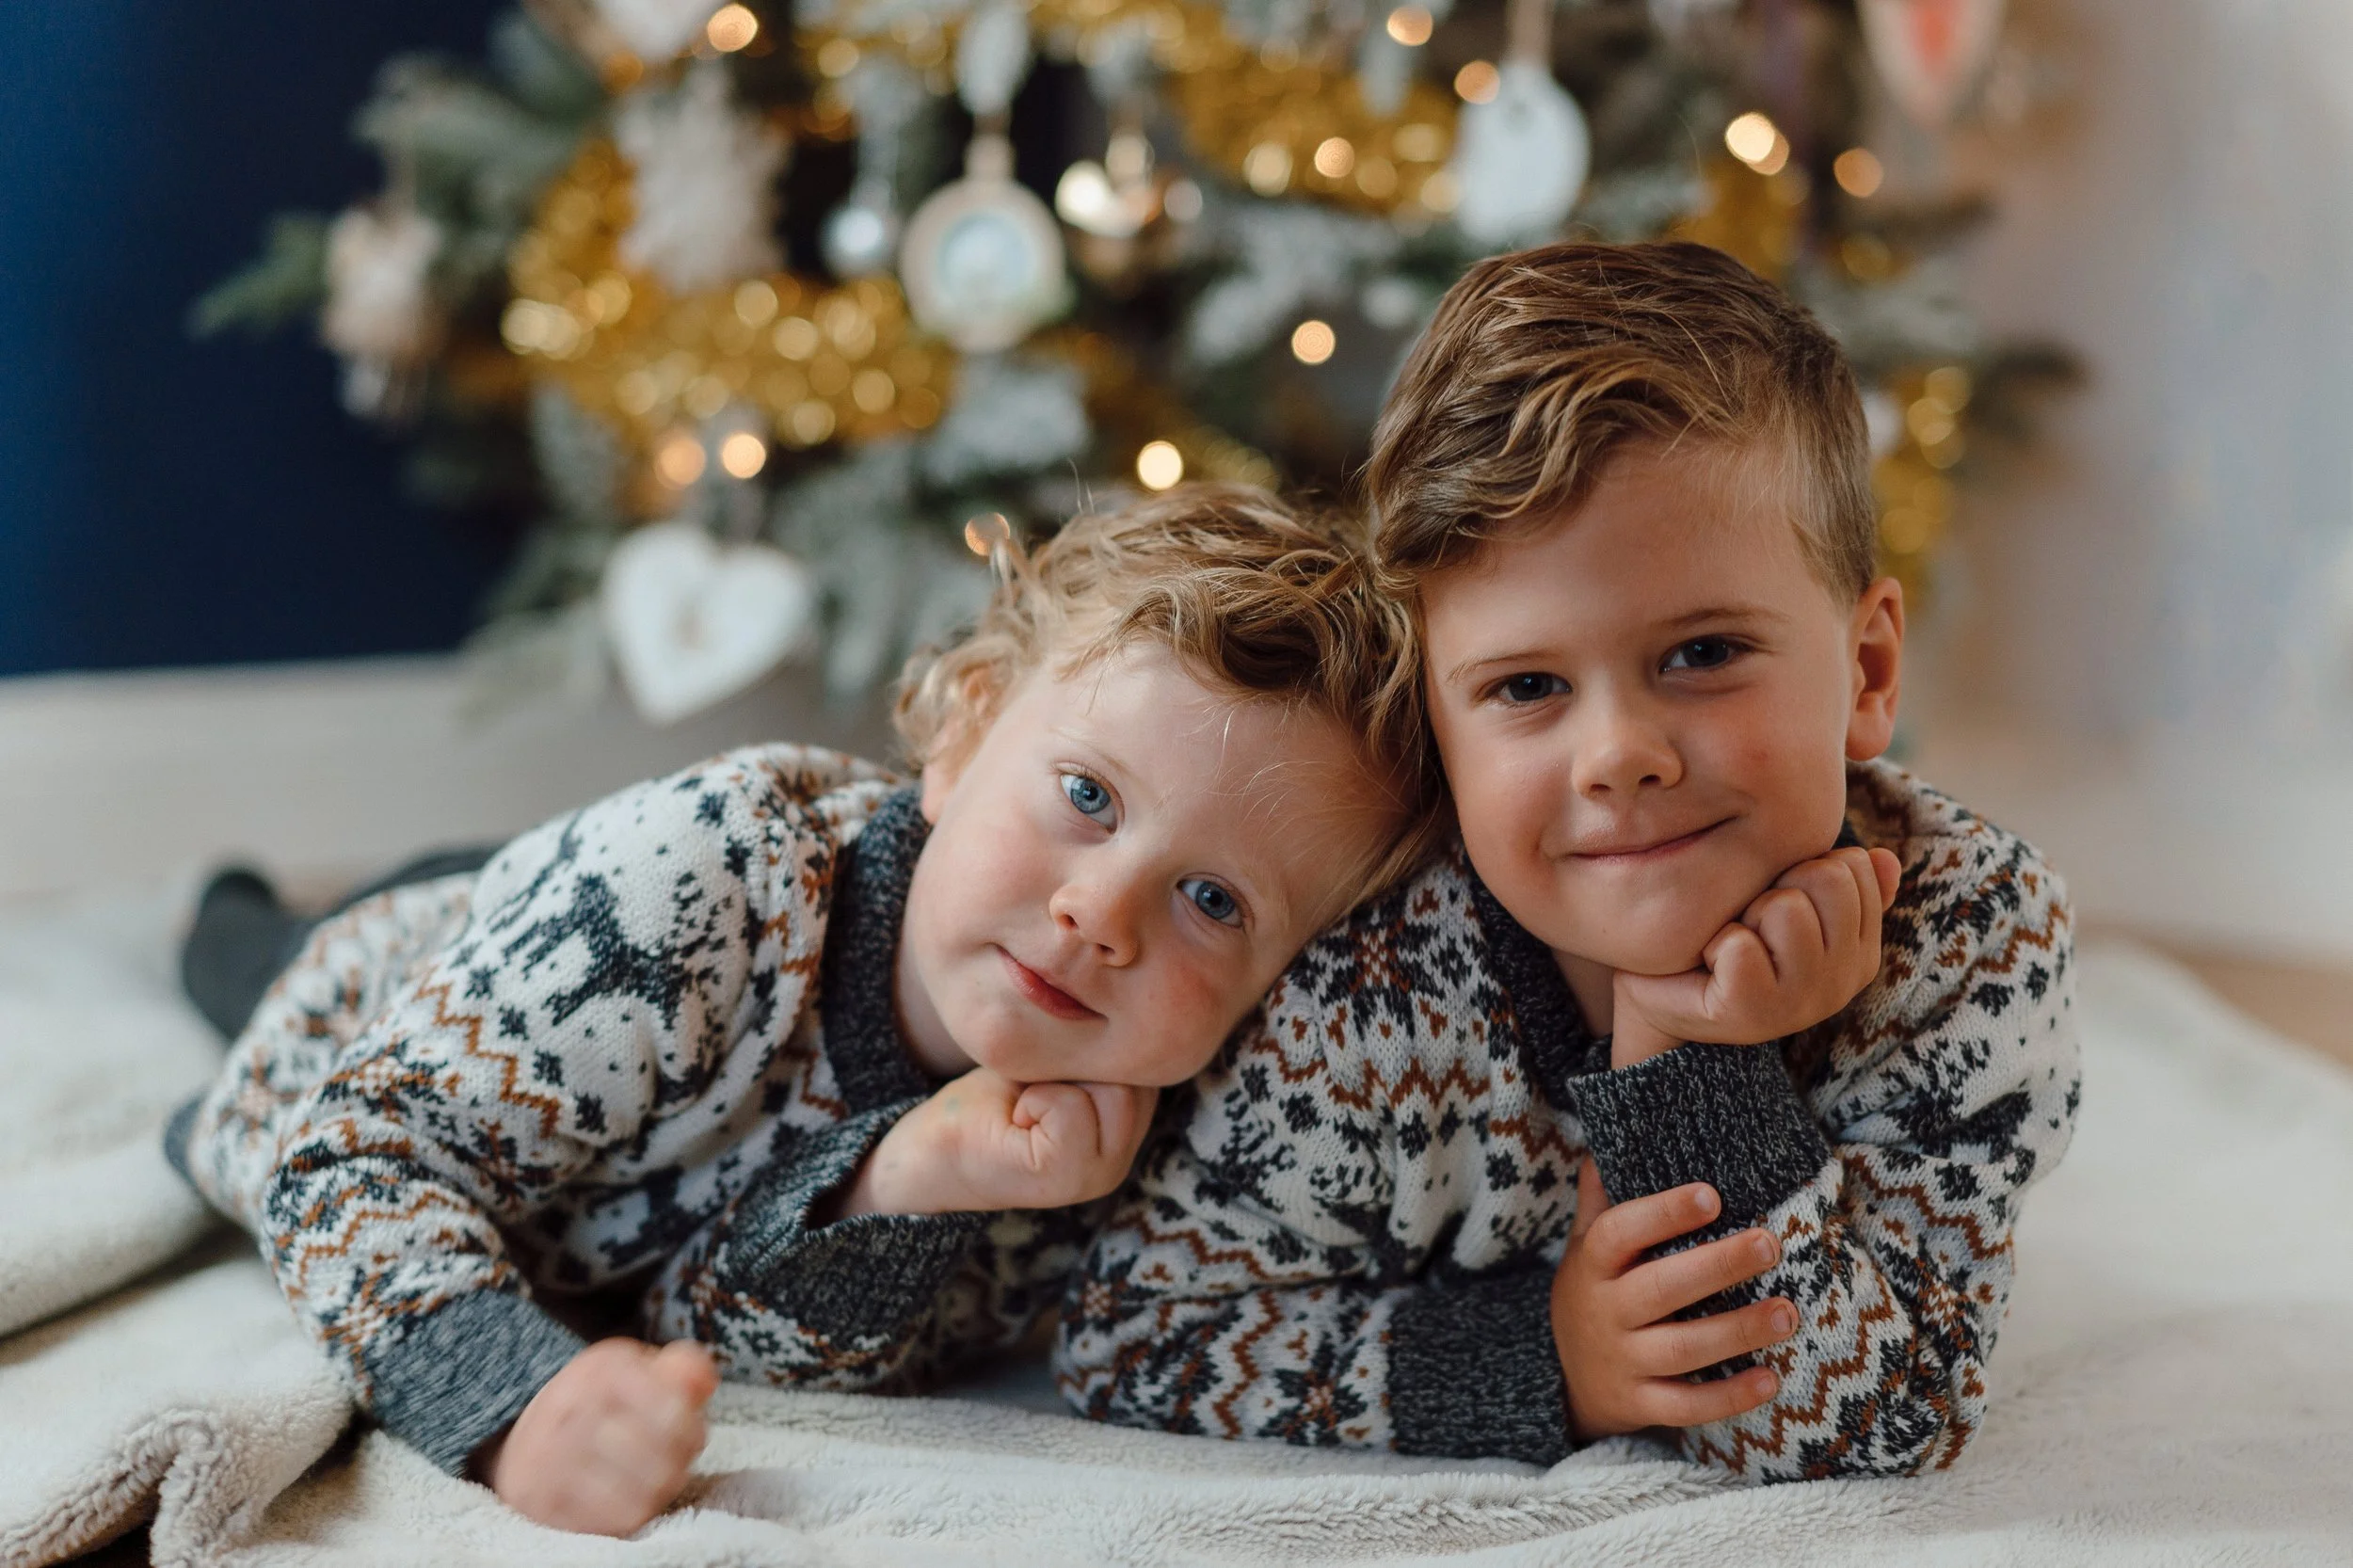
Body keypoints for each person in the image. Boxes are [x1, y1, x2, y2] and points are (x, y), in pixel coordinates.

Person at [167, 484, 1444, 1536]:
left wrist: (906, 1182)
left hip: (617, 1107)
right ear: (964, 731)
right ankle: (230, 911)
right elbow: (347, 1151)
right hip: (421, 973)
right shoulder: (699, 879)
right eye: (1089, 796)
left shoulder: (1132, 1118)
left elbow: (703, 1327)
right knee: (254, 965)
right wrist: (514, 1401)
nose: (1102, 913)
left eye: (1214, 899)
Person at [1056, 241, 2081, 1482]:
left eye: (1702, 653)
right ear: (1438, 729)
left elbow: (1869, 1428)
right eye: (1528, 686)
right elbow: (1134, 1330)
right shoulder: (1367, 989)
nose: (1619, 756)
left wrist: (1691, 1058)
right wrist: (1541, 1359)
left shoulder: (1971, 939)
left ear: (1865, 672)